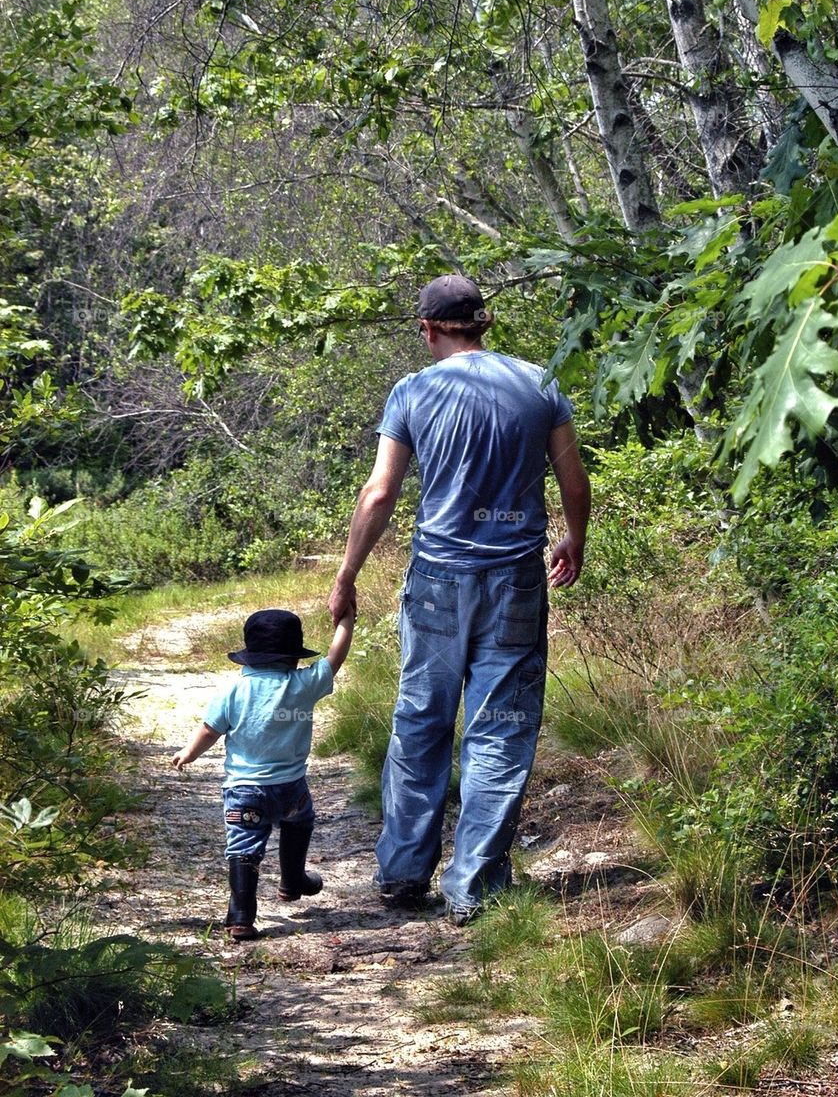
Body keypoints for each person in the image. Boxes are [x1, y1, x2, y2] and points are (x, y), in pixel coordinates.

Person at [328, 274, 591, 924]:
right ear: (483, 324)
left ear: (428, 330)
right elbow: (574, 479)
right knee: (500, 726)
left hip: (439, 580)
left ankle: (402, 873)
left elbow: (380, 494)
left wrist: (347, 574)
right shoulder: (538, 384)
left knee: (421, 719)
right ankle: (473, 885)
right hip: (515, 580)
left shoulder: (413, 391)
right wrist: (573, 538)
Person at [171, 606, 354, 941]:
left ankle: (240, 917)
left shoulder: (232, 692)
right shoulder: (302, 685)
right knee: (299, 822)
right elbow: (334, 658)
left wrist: (189, 753)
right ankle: (293, 879)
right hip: (290, 789)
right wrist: (346, 620)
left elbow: (209, 731)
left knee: (244, 846)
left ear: (249, 657)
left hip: (244, 792)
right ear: (293, 657)